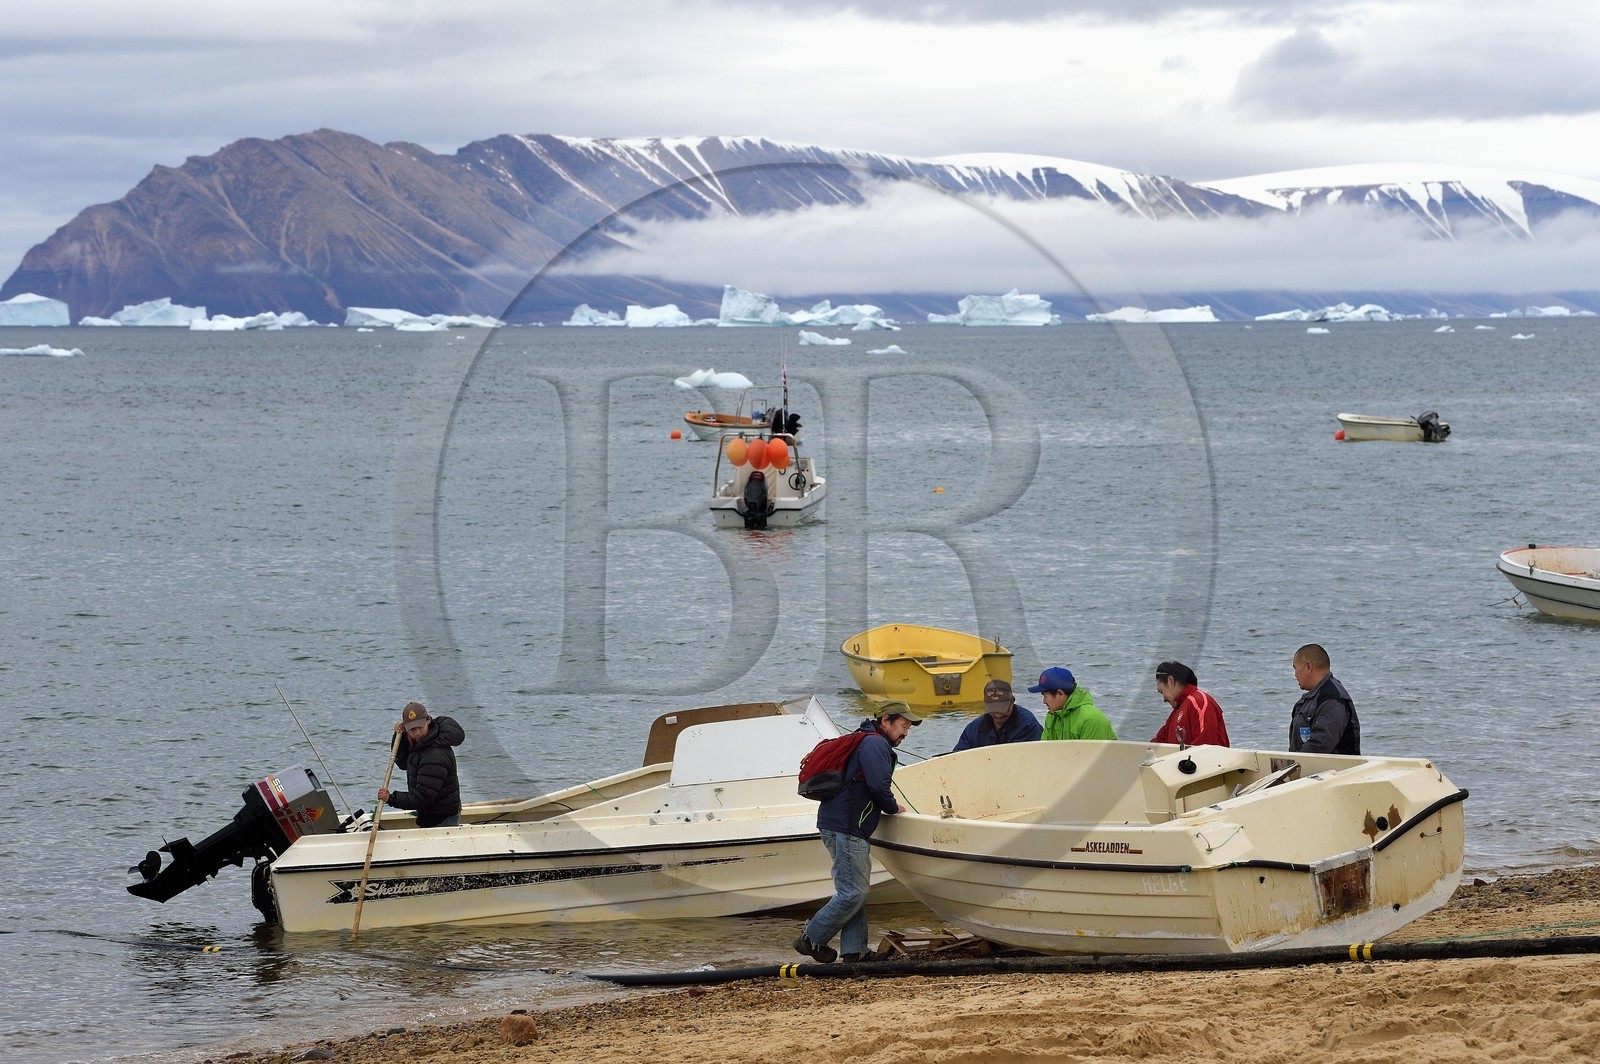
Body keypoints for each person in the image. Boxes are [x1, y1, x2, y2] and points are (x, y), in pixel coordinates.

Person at [794, 704, 920, 964]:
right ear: (886, 720)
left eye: (908, 728)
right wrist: (893, 807)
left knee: (852, 889)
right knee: (854, 893)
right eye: (904, 725)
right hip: (848, 825)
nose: (906, 733)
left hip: (837, 822)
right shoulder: (875, 745)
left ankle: (854, 951)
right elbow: (877, 785)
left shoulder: (862, 738)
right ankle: (811, 938)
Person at [377, 701, 466, 827]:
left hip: (442, 820)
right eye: (412, 729)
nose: (417, 732)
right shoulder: (420, 744)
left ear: (428, 721)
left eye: (420, 727)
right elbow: (402, 763)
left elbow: (423, 797)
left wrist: (391, 799)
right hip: (430, 815)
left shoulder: (435, 755)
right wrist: (400, 736)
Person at [1288, 643, 1360, 754]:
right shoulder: (1311, 699)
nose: (1295, 675)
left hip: (1335, 770)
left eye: (1295, 668)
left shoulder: (1333, 699)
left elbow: (1320, 745)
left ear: (1308, 666)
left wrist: (1295, 763)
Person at [1151, 661, 1230, 747]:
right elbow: (1158, 743)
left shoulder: (1199, 702)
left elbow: (1204, 748)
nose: (1164, 699)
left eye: (1162, 691)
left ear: (1171, 681)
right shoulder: (1177, 711)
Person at [952, 679, 1042, 751]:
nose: (998, 715)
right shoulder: (973, 729)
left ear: (1012, 701)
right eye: (993, 709)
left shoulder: (1028, 725)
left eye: (1002, 708)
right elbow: (957, 756)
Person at [1030, 666, 1116, 740]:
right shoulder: (1052, 716)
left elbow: (1092, 758)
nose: (1044, 701)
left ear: (1060, 694)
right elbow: (1045, 751)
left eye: (1045, 696)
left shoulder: (1092, 720)